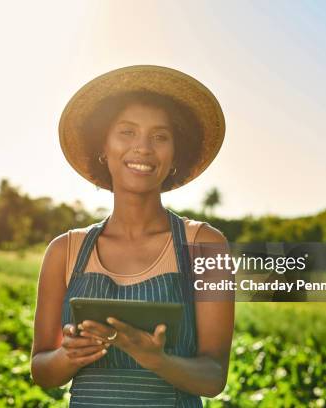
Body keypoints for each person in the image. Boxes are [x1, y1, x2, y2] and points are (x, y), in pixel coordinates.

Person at [31, 65, 234, 407]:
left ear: (174, 156)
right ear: (103, 148)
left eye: (160, 136)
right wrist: (70, 355)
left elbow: (214, 376)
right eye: (127, 132)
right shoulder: (64, 252)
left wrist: (158, 360)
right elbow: (41, 369)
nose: (143, 148)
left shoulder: (206, 246)